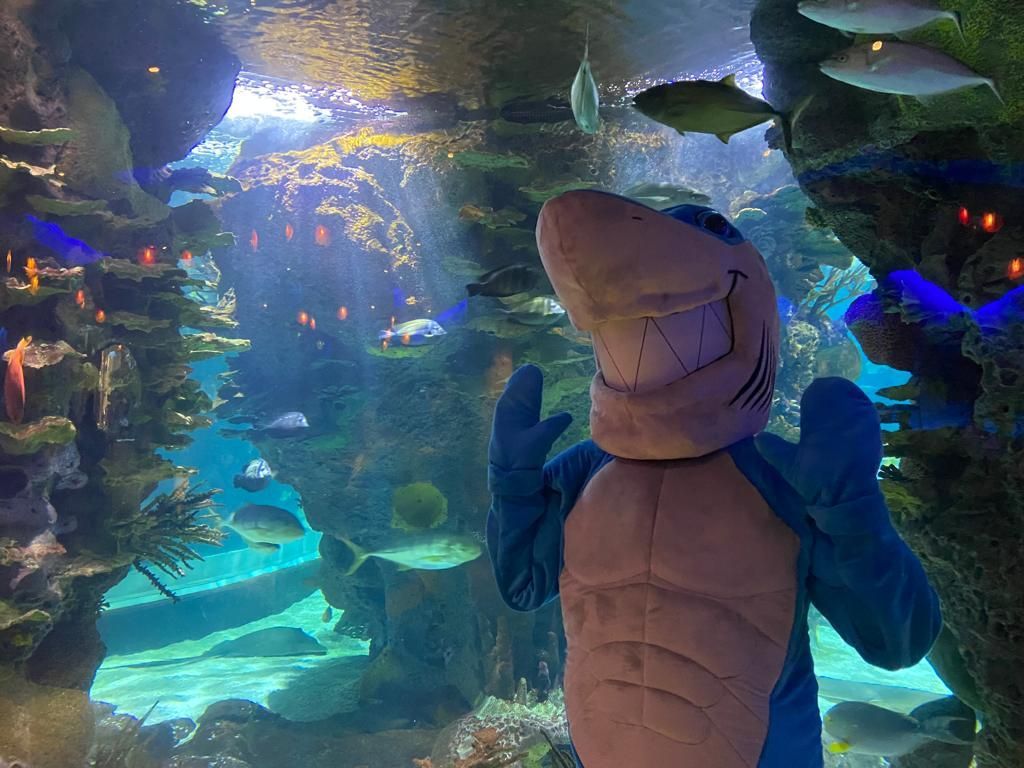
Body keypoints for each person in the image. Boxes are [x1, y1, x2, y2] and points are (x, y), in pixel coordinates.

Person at [485, 190, 941, 768]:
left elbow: (896, 643)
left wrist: (853, 511)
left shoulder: (782, 477)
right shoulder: (584, 469)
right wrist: (513, 487)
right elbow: (523, 585)